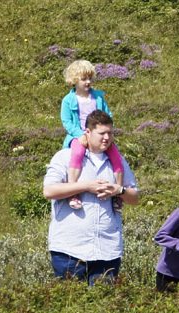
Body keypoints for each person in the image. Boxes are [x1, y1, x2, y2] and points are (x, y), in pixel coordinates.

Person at [43, 110, 139, 285]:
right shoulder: (64, 157)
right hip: (69, 250)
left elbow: (134, 198)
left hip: (107, 250)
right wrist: (86, 186)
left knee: (103, 306)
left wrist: (118, 190)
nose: (107, 138)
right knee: (70, 305)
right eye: (102, 133)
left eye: (110, 133)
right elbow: (49, 191)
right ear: (88, 132)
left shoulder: (118, 162)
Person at [60, 59, 124, 211]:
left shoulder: (98, 97)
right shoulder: (68, 100)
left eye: (90, 78)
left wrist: (107, 132)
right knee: (77, 154)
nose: (88, 82)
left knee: (116, 157)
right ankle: (73, 192)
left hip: (99, 135)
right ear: (74, 80)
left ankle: (117, 193)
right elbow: (67, 121)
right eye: (84, 79)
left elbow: (108, 115)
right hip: (79, 136)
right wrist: (79, 135)